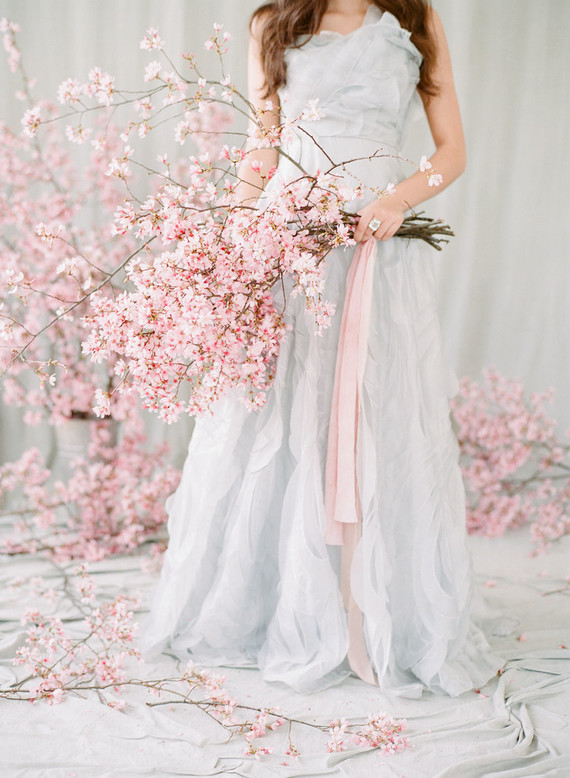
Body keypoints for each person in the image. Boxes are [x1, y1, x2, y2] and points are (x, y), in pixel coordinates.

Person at [139, 0, 506, 698]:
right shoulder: (271, 22)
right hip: (290, 246)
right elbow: (261, 144)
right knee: (282, 418)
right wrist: (231, 248)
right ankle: (278, 606)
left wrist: (398, 199)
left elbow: (452, 150)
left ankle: (368, 608)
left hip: (379, 250)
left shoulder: (414, 18)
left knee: (376, 418)